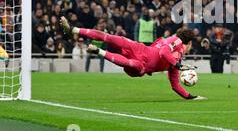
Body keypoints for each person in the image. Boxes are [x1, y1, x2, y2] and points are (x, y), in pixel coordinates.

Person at [60, 17, 206, 100]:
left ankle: (98, 51)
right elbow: (163, 52)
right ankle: (73, 29)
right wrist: (178, 65)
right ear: (190, 42)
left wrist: (191, 97)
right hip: (140, 48)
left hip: (142, 65)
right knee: (110, 37)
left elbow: (175, 85)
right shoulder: (177, 42)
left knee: (134, 64)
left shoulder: (175, 62)